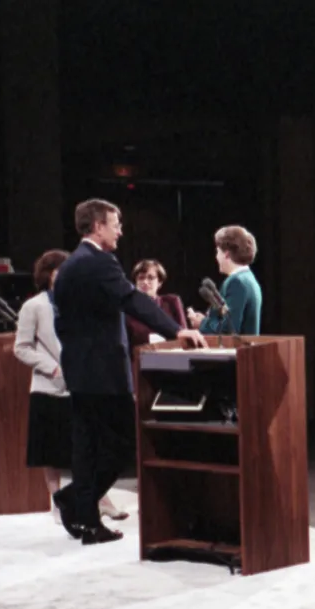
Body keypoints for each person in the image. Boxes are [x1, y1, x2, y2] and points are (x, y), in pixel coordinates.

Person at [53, 199, 206, 545]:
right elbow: (133, 300)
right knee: (126, 443)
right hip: (104, 374)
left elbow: (62, 322)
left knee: (87, 447)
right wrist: (176, 331)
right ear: (97, 226)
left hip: (80, 370)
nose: (121, 230)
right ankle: (78, 502)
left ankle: (85, 515)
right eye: (115, 223)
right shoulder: (99, 262)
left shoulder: (69, 266)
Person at [14, 249, 127, 523]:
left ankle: (99, 497)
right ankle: (56, 501)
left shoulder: (77, 302)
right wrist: (51, 367)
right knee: (50, 448)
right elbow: (21, 347)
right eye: (58, 271)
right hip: (48, 386)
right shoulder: (35, 305)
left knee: (88, 447)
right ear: (47, 275)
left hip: (81, 382)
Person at [186, 226, 262, 335]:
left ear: (226, 254)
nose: (216, 257)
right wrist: (207, 321)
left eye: (218, 252)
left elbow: (228, 330)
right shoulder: (248, 277)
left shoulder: (237, 283)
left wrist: (201, 323)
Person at [126, 258, 188, 354]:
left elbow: (183, 335)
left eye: (150, 278)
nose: (145, 282)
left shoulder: (171, 302)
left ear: (160, 282)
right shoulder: (128, 309)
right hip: (140, 359)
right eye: (141, 278)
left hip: (172, 358)